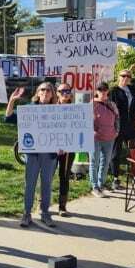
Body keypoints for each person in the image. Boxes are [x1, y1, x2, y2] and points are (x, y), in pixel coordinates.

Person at [5, 83, 61, 229]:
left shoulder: (58, 111)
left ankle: (45, 213)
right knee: (30, 183)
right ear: (38, 92)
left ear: (52, 94)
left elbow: (66, 131)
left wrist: (63, 146)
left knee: (46, 184)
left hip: (49, 154)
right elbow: (9, 117)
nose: (45, 92)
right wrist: (12, 100)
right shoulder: (29, 109)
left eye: (49, 90)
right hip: (32, 153)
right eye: (42, 89)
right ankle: (27, 213)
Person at [91, 82, 119, 198]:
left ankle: (101, 184)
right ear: (96, 91)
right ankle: (94, 187)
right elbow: (86, 120)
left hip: (110, 137)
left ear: (107, 91)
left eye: (104, 89)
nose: (102, 92)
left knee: (106, 162)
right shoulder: (92, 104)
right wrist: (91, 131)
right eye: (100, 90)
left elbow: (117, 118)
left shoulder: (112, 104)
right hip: (95, 138)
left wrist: (117, 131)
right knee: (94, 162)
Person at [55, 83, 75, 216]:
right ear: (57, 93)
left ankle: (62, 206)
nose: (65, 93)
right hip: (51, 148)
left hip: (68, 149)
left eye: (68, 91)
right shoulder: (50, 108)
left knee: (64, 176)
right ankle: (42, 204)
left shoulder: (76, 110)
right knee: (47, 176)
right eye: (62, 91)